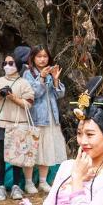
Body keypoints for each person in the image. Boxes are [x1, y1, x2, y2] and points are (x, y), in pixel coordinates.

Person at [0, 53, 35, 201]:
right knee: (0, 157)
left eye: (11, 63)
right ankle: (1, 186)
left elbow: (29, 104)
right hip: (1, 123)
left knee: (17, 158)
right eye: (5, 63)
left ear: (18, 66)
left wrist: (12, 97)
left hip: (18, 124)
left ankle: (16, 186)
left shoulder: (24, 83)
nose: (7, 66)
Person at [23, 45, 67, 192]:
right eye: (39, 56)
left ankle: (43, 181)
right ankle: (28, 182)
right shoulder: (28, 74)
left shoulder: (50, 73)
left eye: (45, 56)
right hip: (35, 118)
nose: (42, 59)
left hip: (51, 117)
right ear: (33, 58)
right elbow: (33, 94)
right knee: (32, 150)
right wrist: (41, 77)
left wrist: (55, 80)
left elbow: (60, 94)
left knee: (47, 149)